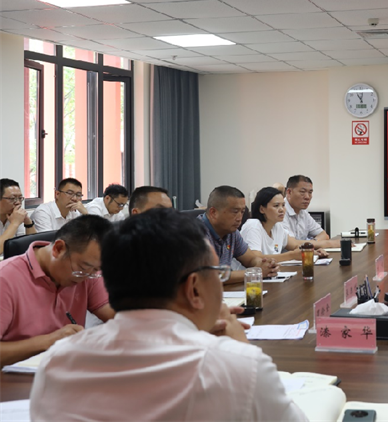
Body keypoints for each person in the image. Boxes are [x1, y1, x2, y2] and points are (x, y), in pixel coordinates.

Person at [29, 208, 308, 422]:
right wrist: (240, 346)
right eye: (217, 273)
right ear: (194, 288)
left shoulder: (58, 362)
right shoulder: (239, 365)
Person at [0, 216, 115, 366]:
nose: (87, 276)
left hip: (64, 370)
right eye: (83, 268)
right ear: (58, 249)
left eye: (96, 270)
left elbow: (114, 315)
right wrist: (48, 341)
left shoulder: (88, 272)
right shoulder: (6, 278)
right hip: (14, 376)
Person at [200, 186, 279, 284]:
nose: (239, 218)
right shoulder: (195, 233)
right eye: (235, 212)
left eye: (242, 212)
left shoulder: (232, 232)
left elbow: (251, 259)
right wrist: (256, 272)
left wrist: (265, 265)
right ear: (213, 213)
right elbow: (210, 276)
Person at [238, 187, 329, 267]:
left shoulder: (277, 226)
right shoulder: (253, 225)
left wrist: (312, 252)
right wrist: (291, 255)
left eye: (283, 205)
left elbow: (295, 245)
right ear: (262, 209)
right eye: (276, 206)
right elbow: (255, 258)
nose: (282, 210)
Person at [282, 175, 338, 248]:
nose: (307, 197)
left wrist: (313, 243)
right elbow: (292, 244)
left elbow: (324, 235)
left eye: (310, 192)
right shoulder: (280, 211)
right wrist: (326, 244)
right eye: (302, 192)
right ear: (289, 192)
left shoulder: (303, 212)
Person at [0, 178, 35, 249]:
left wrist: (28, 223)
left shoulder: (16, 216)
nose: (18, 202)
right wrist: (14, 223)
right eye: (12, 198)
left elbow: (33, 248)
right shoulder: (16, 220)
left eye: (20, 198)